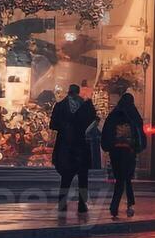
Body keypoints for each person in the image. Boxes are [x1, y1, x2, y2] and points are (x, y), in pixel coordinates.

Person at [50, 84, 99, 214]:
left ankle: (62, 203)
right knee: (83, 178)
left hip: (66, 146)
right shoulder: (86, 106)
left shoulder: (60, 106)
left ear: (68, 92)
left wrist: (65, 126)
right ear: (78, 92)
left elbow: (53, 125)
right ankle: (82, 204)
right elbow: (94, 122)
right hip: (81, 146)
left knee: (66, 177)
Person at [104, 93, 147, 219]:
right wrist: (138, 147)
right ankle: (128, 204)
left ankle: (115, 206)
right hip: (128, 152)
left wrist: (108, 146)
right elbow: (139, 131)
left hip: (115, 152)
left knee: (119, 178)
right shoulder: (133, 115)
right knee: (126, 178)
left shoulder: (113, 115)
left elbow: (107, 131)